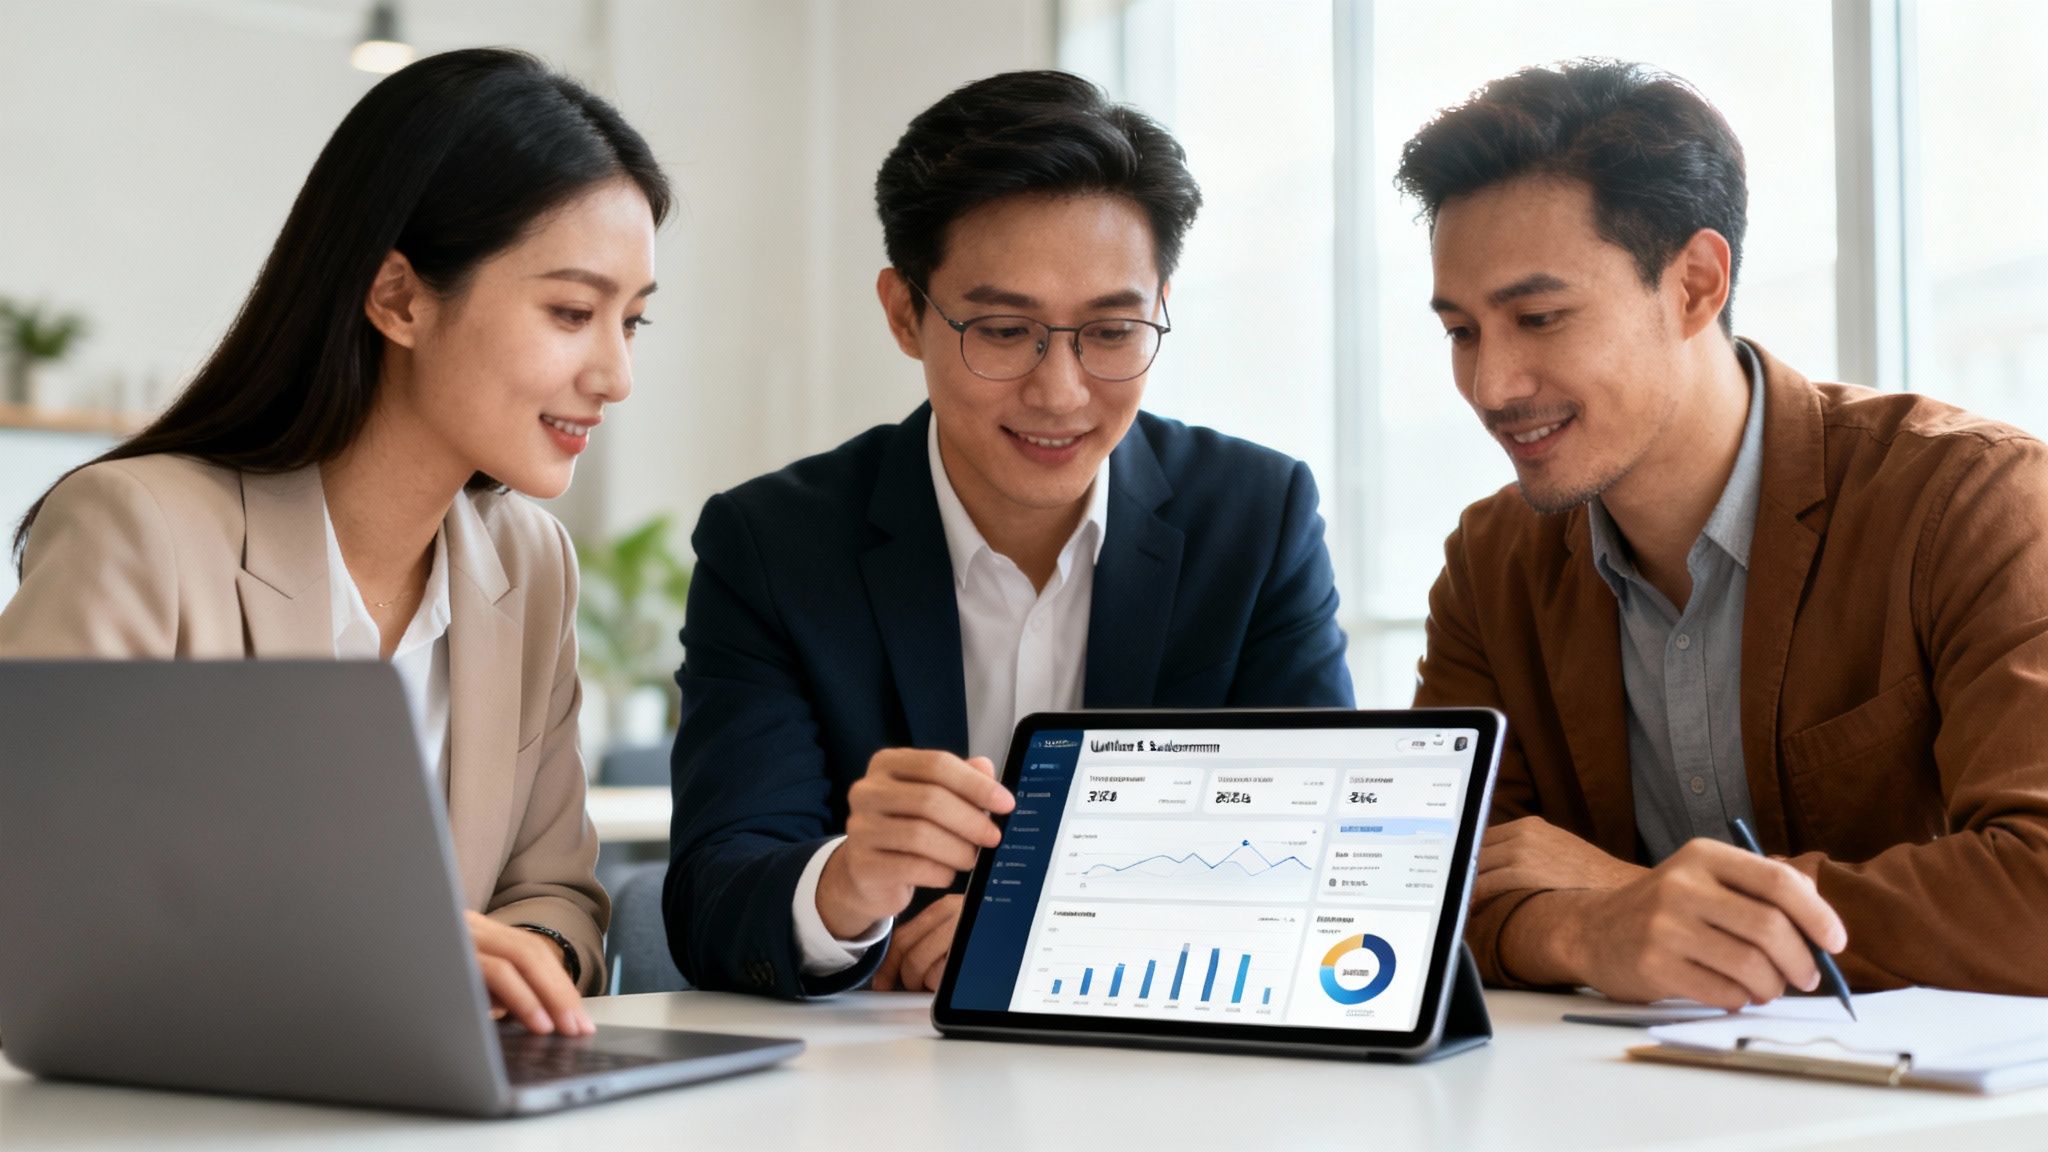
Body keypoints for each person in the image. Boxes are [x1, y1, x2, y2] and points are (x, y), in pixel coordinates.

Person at [0, 48, 670, 1035]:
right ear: (397, 297)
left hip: (443, 1095)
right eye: (572, 313)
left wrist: (520, 969)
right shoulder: (139, 530)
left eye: (633, 322)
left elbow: (560, 896)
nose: (614, 374)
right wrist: (389, 959)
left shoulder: (531, 565)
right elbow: (34, 893)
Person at [664, 70, 1355, 999]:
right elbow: (715, 898)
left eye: (1111, 332)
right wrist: (847, 889)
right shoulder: (775, 543)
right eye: (1002, 328)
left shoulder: (1255, 517)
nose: (1061, 392)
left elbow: (1322, 854)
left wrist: (1053, 932)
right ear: (905, 312)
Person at [1400, 59, 2048, 1006]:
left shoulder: (1972, 501)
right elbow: (1421, 888)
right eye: (1462, 331)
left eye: (1539, 317)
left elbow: (2035, 890)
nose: (1492, 387)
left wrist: (1636, 897)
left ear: (1697, 283)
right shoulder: (1491, 567)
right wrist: (1586, 928)